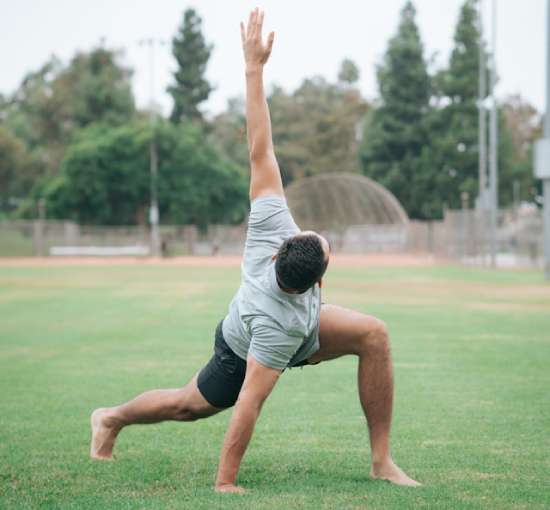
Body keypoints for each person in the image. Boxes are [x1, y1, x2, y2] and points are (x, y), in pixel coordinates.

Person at [90, 9, 420, 493]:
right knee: (189, 405)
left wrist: (253, 69)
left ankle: (382, 461)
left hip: (300, 328)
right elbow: (250, 401)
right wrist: (226, 483)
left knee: (374, 334)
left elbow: (260, 149)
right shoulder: (277, 326)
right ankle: (112, 418)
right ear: (316, 280)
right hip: (243, 344)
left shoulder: (272, 223)